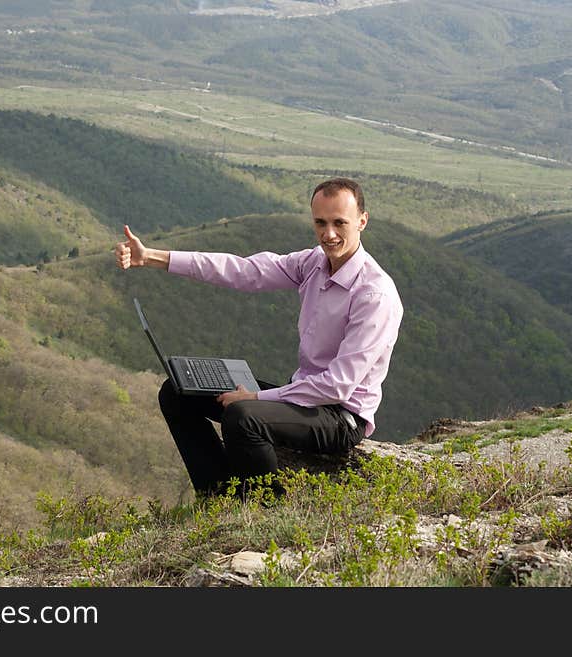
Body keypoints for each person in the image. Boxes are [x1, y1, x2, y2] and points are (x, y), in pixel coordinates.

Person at [114, 177, 403, 497]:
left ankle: (268, 507)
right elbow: (243, 271)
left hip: (340, 417)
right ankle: (219, 498)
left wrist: (255, 399)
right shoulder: (313, 264)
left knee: (242, 417)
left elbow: (337, 385)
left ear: (362, 221)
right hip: (302, 397)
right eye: (320, 222)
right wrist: (152, 257)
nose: (328, 234)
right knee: (178, 391)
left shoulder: (374, 294)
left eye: (339, 223)